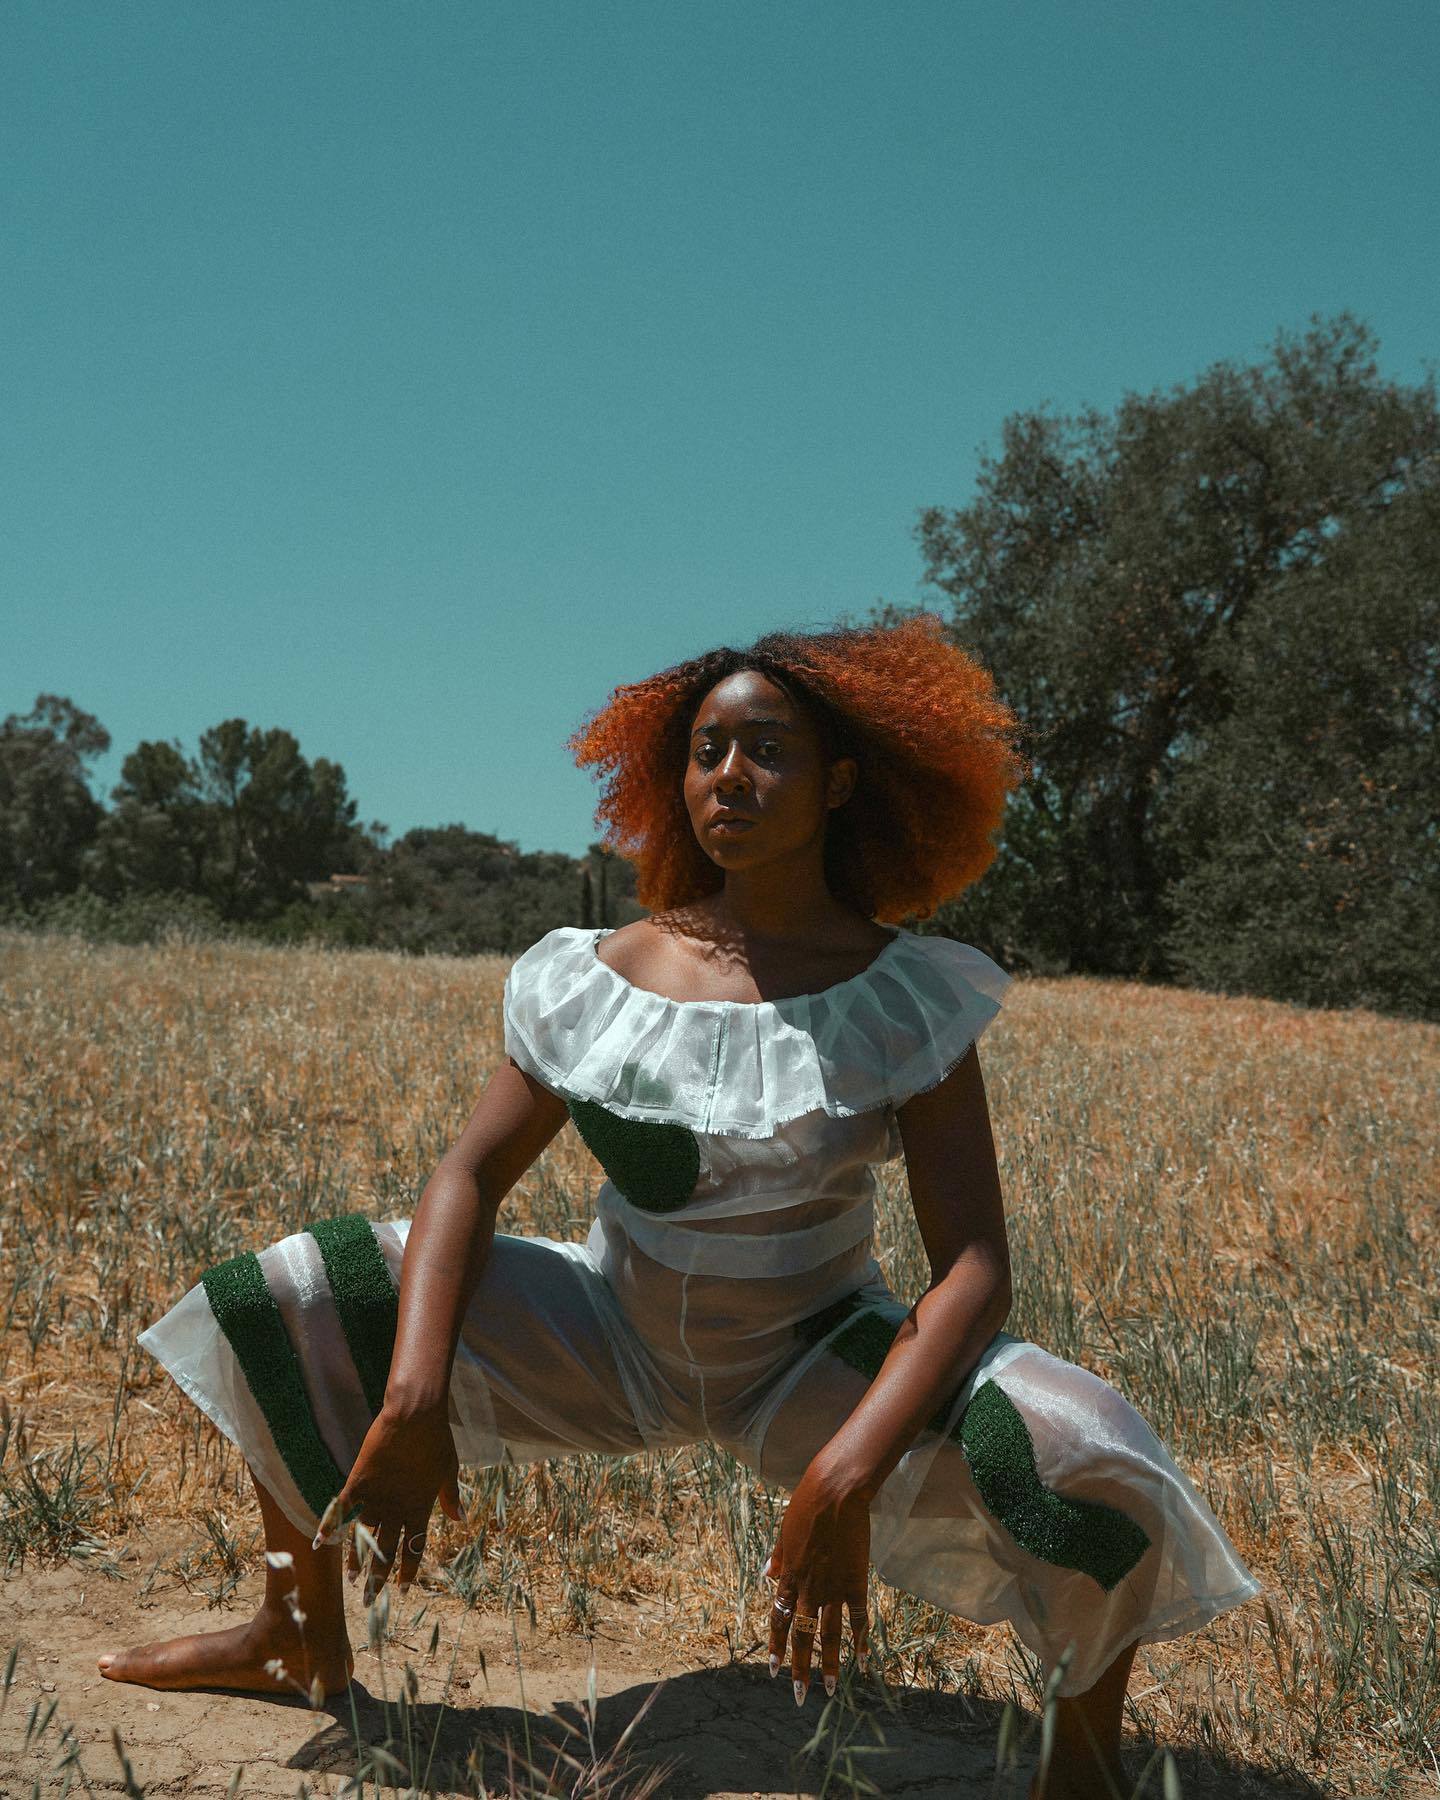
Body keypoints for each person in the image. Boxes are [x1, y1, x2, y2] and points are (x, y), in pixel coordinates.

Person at [98, 615, 1260, 1799]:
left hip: (808, 1359)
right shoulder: (598, 975)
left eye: (768, 751)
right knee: (291, 1288)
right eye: (707, 752)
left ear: (840, 783)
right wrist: (413, 1392)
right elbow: (469, 1178)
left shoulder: (905, 996)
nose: (730, 777)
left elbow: (974, 1266)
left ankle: (1083, 1768)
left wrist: (849, 1471)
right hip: (608, 1332)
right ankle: (294, 1632)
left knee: (1088, 1446)